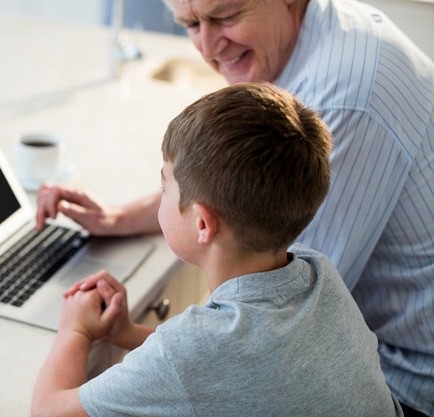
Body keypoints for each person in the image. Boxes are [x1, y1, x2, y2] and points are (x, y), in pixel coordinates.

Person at [36, 0, 434, 414]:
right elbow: (230, 357)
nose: (208, 45)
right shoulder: (317, 273)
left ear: (204, 223)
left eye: (224, 16)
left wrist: (75, 330)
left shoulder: (345, 101)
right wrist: (131, 327)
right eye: (190, 23)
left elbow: (51, 411)